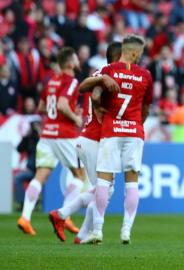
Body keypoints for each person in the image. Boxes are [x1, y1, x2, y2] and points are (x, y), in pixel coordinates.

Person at [81, 35, 153, 244]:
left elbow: (90, 92)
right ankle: (126, 231)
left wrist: (99, 110)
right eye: (140, 53)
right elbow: (146, 107)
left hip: (111, 130)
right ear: (135, 52)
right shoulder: (146, 75)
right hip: (134, 132)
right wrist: (138, 123)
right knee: (132, 183)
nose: (141, 56)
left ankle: (97, 230)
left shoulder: (109, 70)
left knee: (104, 181)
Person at [48, 42, 122, 243]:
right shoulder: (108, 76)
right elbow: (96, 94)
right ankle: (94, 232)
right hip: (92, 139)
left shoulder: (100, 73)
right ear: (117, 57)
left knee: (103, 190)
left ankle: (69, 222)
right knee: (104, 189)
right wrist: (98, 106)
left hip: (90, 139)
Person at [17, 47, 86, 236]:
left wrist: (61, 113)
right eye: (76, 60)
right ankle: (64, 216)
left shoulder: (51, 82)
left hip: (47, 134)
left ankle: (25, 217)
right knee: (80, 175)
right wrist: (75, 118)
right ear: (70, 64)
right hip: (65, 135)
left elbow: (41, 107)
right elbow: (62, 105)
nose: (79, 63)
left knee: (40, 176)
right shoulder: (71, 81)